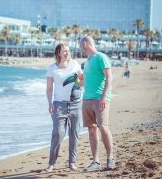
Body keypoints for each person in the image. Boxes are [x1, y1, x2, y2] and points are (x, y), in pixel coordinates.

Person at [46, 43, 83, 172]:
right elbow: (49, 88)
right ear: (58, 53)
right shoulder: (52, 68)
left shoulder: (75, 64)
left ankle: (72, 163)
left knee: (74, 134)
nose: (67, 53)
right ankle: (51, 163)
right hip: (59, 104)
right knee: (58, 133)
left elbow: (82, 79)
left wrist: (77, 84)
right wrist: (50, 103)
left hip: (75, 104)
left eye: (68, 50)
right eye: (64, 51)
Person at [80, 36, 115, 171]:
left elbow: (109, 76)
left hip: (99, 99)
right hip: (86, 100)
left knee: (103, 126)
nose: (80, 48)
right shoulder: (88, 61)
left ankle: (110, 158)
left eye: (80, 45)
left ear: (84, 44)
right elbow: (85, 81)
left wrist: (104, 97)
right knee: (91, 129)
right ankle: (96, 161)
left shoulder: (101, 57)